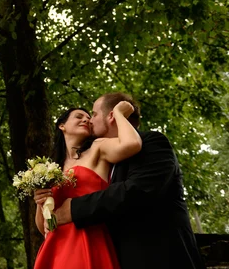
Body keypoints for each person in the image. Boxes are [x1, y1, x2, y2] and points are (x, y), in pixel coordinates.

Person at [53, 92, 205, 269]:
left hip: (161, 257)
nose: (90, 121)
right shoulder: (103, 160)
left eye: (93, 114)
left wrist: (72, 209)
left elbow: (136, 191)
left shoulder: (152, 142)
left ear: (111, 116)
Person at [33, 100, 141, 269]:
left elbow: (132, 144)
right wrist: (40, 203)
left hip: (90, 238)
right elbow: (44, 227)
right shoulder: (51, 170)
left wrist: (119, 113)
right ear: (62, 126)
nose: (86, 119)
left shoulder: (98, 148)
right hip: (56, 247)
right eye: (79, 116)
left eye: (89, 117)